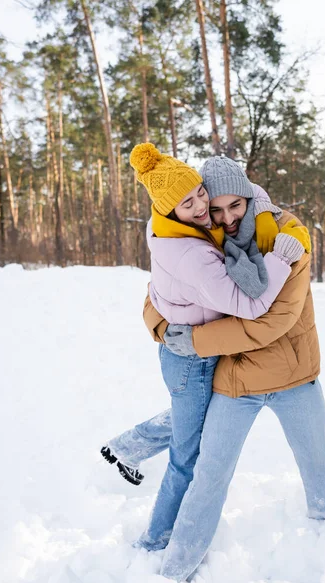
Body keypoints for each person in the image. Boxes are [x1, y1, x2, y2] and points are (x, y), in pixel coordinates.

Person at [101, 143, 309, 554]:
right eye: (187, 203)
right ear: (168, 210)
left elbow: (159, 289)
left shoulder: (169, 229)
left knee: (194, 418)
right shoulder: (195, 252)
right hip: (191, 360)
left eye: (200, 194)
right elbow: (251, 306)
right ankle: (154, 540)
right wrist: (281, 260)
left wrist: (162, 320)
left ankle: (127, 447)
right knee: (188, 456)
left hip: (194, 355)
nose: (200, 207)